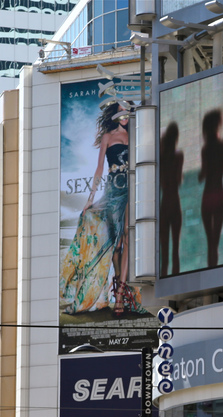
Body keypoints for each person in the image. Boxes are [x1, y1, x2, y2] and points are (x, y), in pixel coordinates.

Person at [61, 102, 140, 317]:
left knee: (127, 235)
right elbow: (99, 169)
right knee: (115, 246)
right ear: (114, 115)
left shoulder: (138, 133)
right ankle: (116, 284)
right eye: (121, 113)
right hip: (114, 190)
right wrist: (90, 199)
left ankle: (121, 295)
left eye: (128, 112)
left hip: (133, 188)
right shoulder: (108, 137)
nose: (124, 117)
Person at [198, 109, 223, 269]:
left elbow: (202, 175)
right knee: (215, 243)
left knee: (209, 241)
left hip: (207, 196)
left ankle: (209, 270)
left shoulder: (205, 148)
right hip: (218, 194)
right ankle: (214, 270)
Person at [159, 122, 184, 277]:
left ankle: (165, 277)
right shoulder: (178, 155)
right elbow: (179, 179)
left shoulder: (161, 158)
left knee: (164, 252)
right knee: (175, 249)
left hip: (164, 205)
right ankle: (175, 278)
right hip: (175, 203)